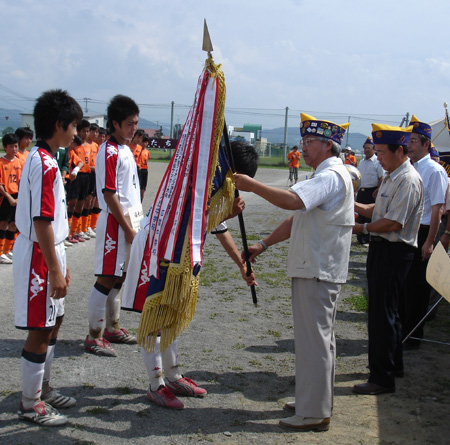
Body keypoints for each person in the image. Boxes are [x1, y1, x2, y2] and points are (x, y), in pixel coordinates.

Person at [235, 113, 354, 432]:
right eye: (303, 140)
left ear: (328, 145)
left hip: (318, 269)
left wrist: (251, 185)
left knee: (315, 342)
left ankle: (314, 411)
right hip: (316, 267)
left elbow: (292, 201)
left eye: (309, 141)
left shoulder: (330, 176)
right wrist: (263, 244)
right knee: (316, 341)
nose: (303, 146)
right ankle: (313, 401)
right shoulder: (325, 174)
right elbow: (298, 216)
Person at [122, 140, 258, 410]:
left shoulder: (216, 179)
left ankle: (173, 376)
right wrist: (227, 212)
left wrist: (242, 265)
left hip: (179, 252)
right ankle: (155, 384)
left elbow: (219, 229)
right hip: (159, 246)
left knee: (172, 314)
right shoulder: (201, 178)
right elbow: (190, 223)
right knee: (157, 317)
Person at [14, 89, 82, 426]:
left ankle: (42, 387)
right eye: (73, 126)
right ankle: (30, 403)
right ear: (58, 125)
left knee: (55, 319)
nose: (76, 133)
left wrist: (61, 263)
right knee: (40, 327)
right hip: (39, 254)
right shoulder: (42, 163)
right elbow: (41, 221)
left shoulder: (48, 159)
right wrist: (54, 269)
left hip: (51, 250)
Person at [352, 123, 423, 396]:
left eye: (381, 152)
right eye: (377, 151)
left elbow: (393, 222)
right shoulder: (393, 176)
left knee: (382, 316)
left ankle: (382, 378)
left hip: (394, 251)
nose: (377, 157)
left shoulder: (408, 180)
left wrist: (359, 228)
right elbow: (377, 209)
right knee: (387, 313)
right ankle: (392, 366)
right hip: (383, 249)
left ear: (399, 151)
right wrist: (352, 204)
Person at [84, 94, 141, 357]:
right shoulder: (108, 151)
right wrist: (127, 229)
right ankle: (93, 335)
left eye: (136, 123)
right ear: (115, 123)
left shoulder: (126, 149)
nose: (133, 128)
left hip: (129, 220)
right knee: (107, 277)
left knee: (120, 275)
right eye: (129, 123)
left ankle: (112, 327)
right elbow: (109, 194)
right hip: (114, 223)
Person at [399, 115, 448, 349]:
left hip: (425, 231)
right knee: (404, 284)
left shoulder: (434, 171)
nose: (408, 145)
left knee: (418, 287)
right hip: (407, 230)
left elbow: (438, 209)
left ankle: (413, 336)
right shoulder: (408, 168)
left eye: (413, 141)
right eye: (407, 140)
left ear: (426, 144)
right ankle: (403, 330)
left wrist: (430, 242)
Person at [356, 136, 384, 244]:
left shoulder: (377, 161)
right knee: (360, 214)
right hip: (361, 191)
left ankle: (367, 238)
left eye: (369, 148)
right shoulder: (362, 162)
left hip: (371, 192)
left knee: (369, 215)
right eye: (365, 148)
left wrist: (378, 191)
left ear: (374, 149)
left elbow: (381, 178)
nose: (366, 150)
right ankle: (360, 237)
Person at [0, 134, 23, 263]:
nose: (14, 149)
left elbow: (23, 182)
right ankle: (0, 252)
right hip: (5, 196)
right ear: (5, 147)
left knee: (14, 223)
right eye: (11, 146)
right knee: (3, 223)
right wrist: (9, 198)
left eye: (16, 146)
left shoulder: (20, 162)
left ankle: (8, 250)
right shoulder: (1, 162)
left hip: (17, 196)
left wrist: (20, 197)